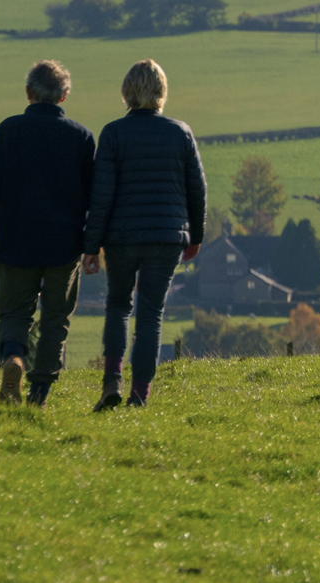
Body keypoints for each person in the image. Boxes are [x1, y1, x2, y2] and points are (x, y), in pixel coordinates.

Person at [81, 58, 207, 410]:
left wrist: (91, 247)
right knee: (151, 315)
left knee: (118, 306)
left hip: (121, 238)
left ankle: (110, 383)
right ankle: (140, 394)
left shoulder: (113, 134)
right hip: (167, 237)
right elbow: (197, 190)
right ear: (161, 92)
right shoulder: (180, 132)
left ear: (127, 92)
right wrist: (194, 236)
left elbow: (101, 196)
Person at [0, 59, 96, 406]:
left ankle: (14, 358)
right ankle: (39, 391)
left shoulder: (8, 131)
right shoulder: (82, 138)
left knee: (14, 313)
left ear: (28, 92)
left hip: (15, 242)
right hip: (63, 245)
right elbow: (90, 198)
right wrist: (92, 243)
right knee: (56, 318)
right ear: (64, 96)